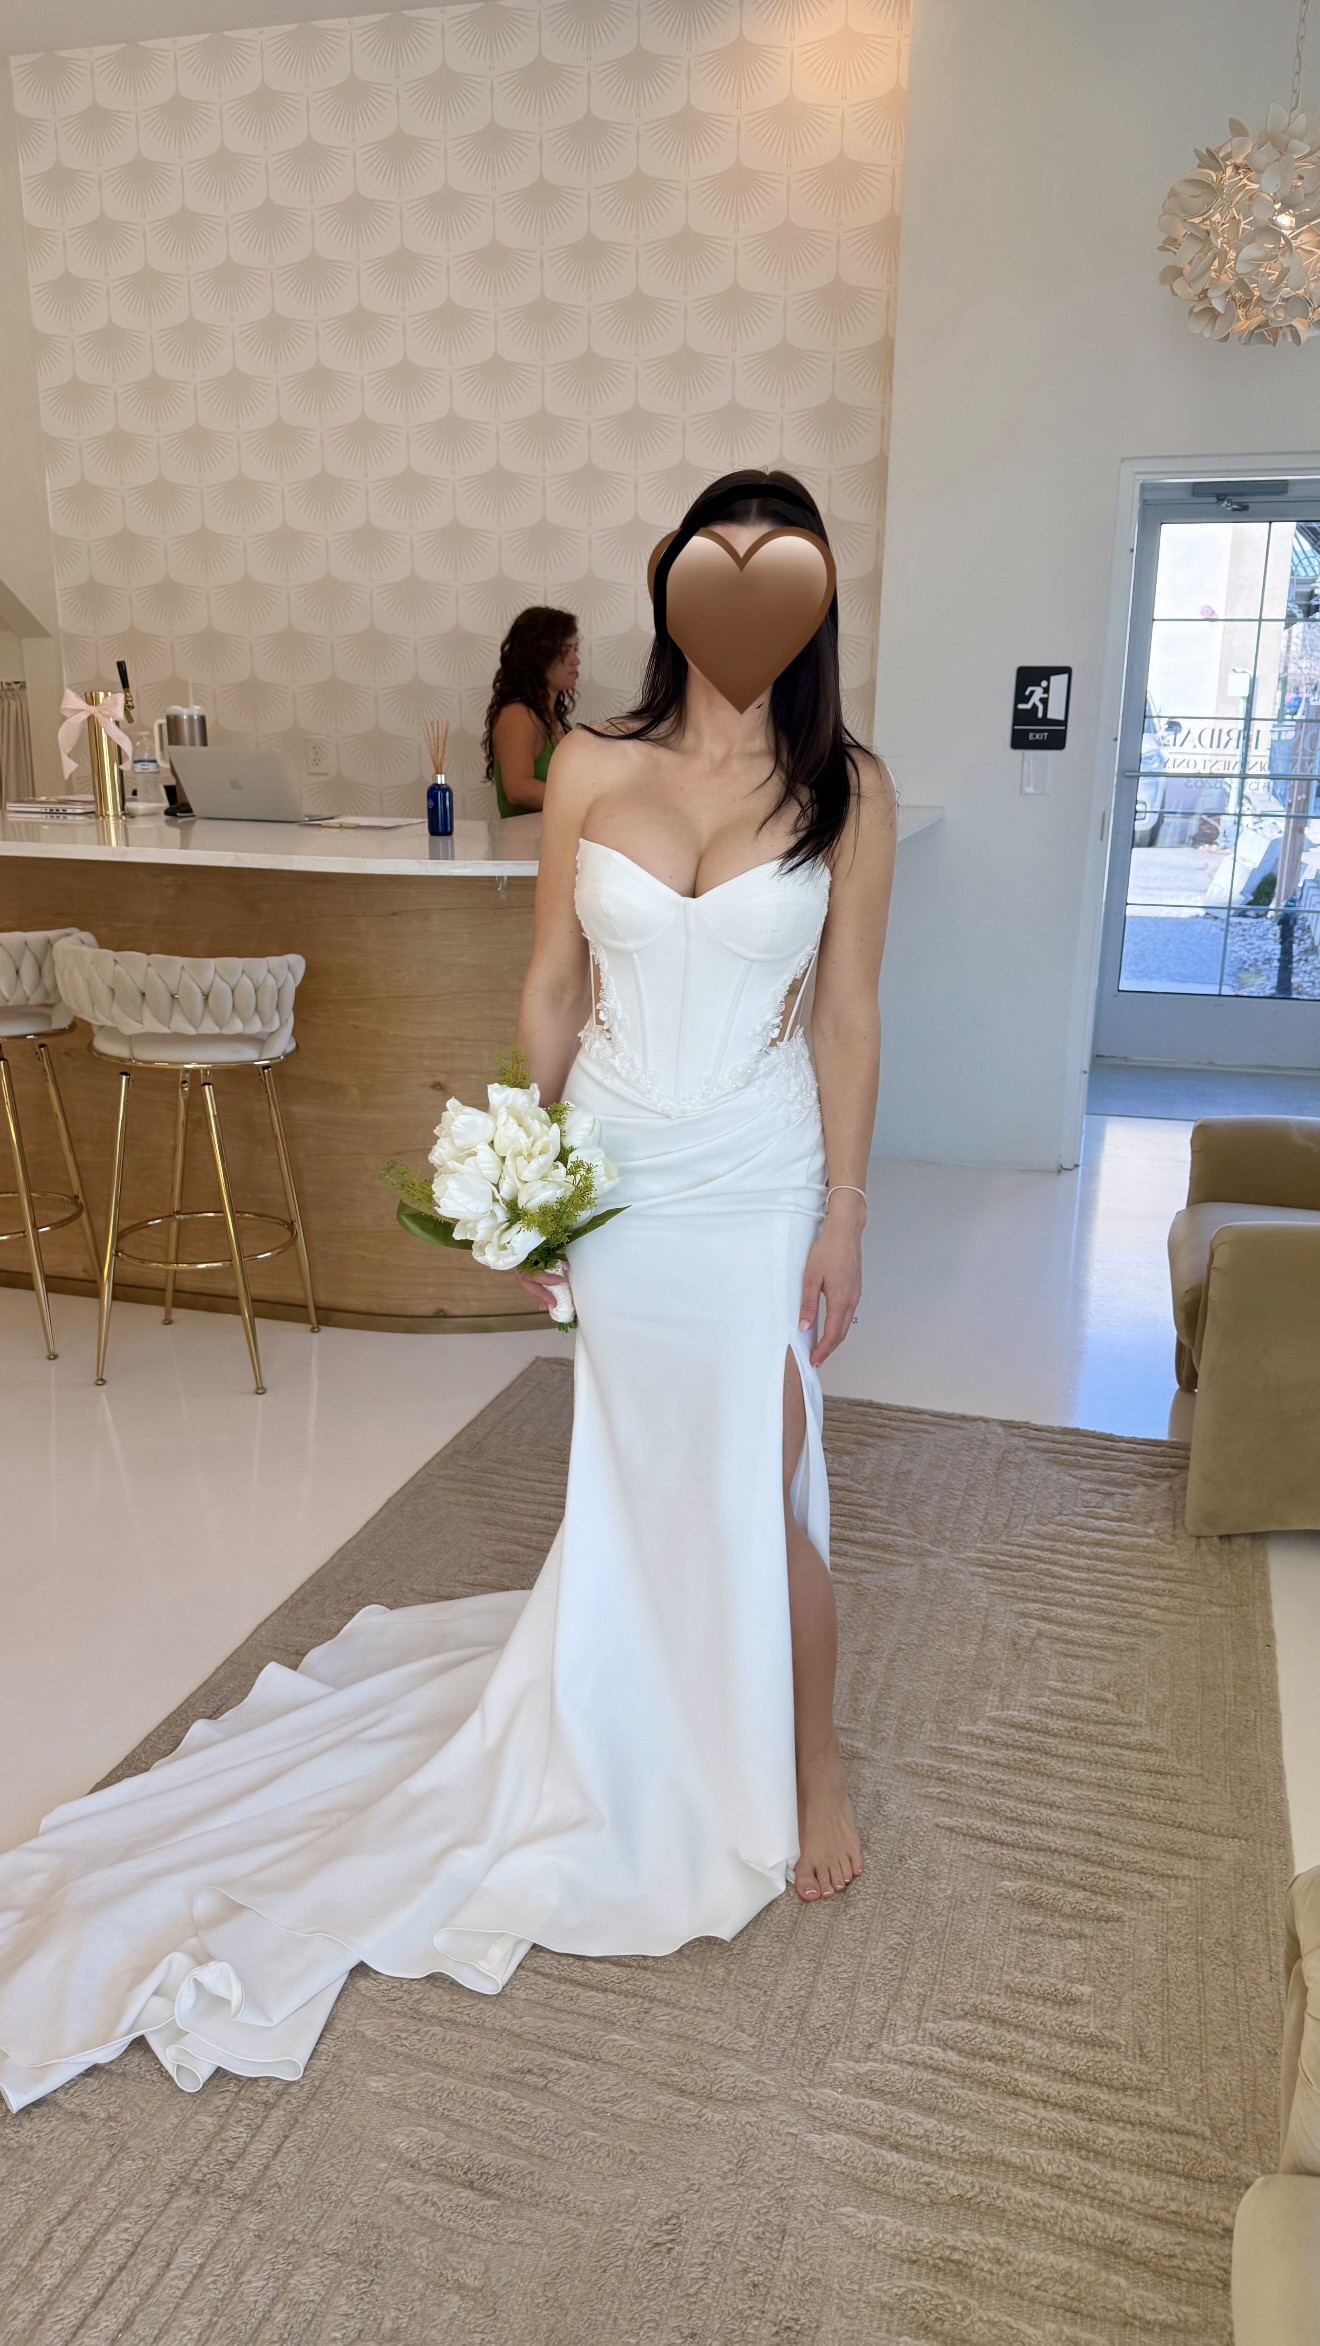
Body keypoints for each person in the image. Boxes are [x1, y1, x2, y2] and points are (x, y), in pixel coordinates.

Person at [0, 472, 896, 2111]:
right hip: (620, 1170)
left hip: (758, 1177)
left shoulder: (848, 788)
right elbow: (553, 983)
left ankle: (809, 1758)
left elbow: (846, 1013)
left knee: (761, 1463)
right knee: (643, 1466)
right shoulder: (592, 765)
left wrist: (844, 1212)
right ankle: (634, 1699)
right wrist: (522, 1165)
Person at [484, 607, 580, 817]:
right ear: (538, 656)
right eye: (566, 650)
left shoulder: (547, 716)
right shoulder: (518, 716)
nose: (576, 660)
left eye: (575, 648)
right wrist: (582, 803)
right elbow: (518, 789)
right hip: (523, 838)